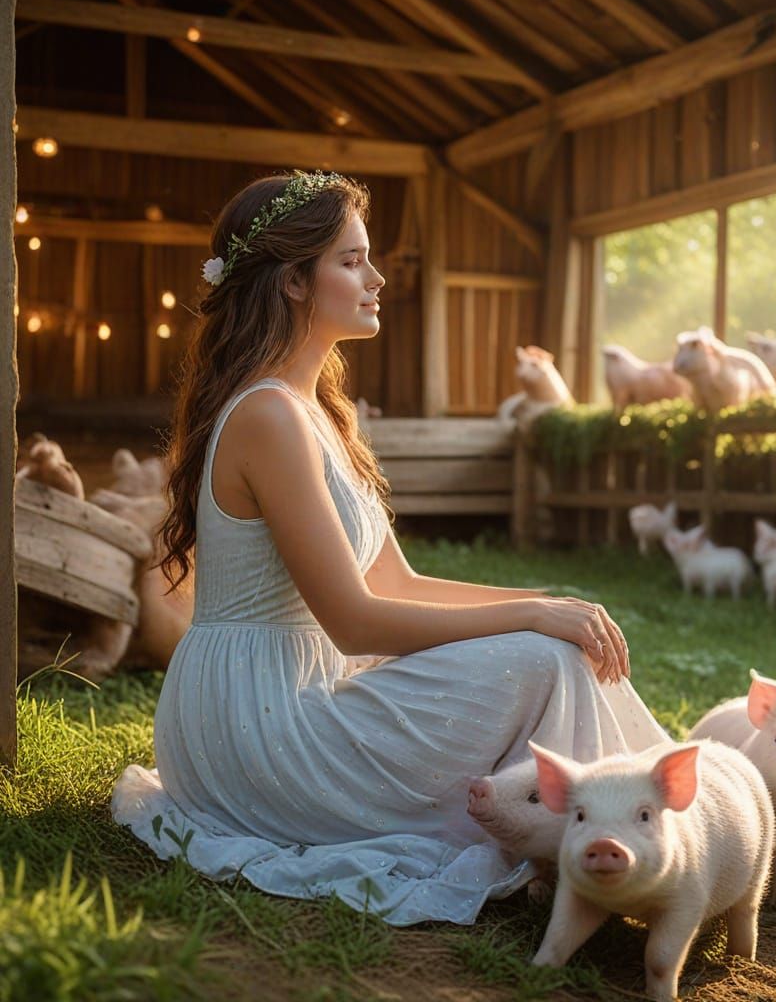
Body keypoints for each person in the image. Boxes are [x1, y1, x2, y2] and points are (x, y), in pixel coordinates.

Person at [111, 171, 669, 926]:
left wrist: (548, 606)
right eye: (351, 260)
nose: (375, 279)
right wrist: (535, 619)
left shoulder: (316, 413)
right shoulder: (268, 417)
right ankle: (619, 840)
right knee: (544, 657)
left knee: (555, 645)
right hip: (257, 720)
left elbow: (395, 580)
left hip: (296, 692)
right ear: (293, 283)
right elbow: (357, 622)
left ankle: (625, 828)